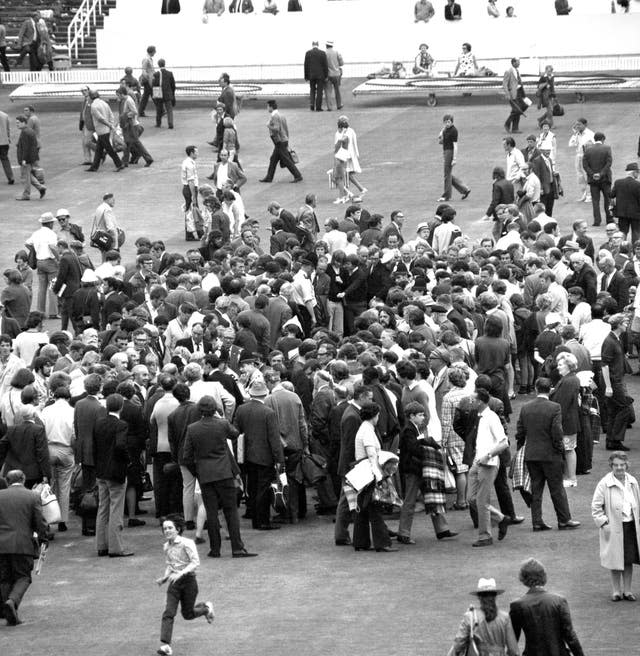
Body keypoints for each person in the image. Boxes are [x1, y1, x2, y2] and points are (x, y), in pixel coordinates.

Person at [182, 395, 256, 558]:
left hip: (205, 475)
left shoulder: (193, 428)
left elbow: (186, 457)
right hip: (223, 473)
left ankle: (215, 549)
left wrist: (197, 471)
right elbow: (235, 434)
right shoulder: (222, 424)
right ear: (214, 408)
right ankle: (237, 547)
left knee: (212, 512)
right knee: (231, 512)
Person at [515, 377, 580, 531]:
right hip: (550, 455)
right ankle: (564, 520)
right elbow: (557, 431)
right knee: (557, 489)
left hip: (532, 454)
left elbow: (520, 432)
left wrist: (522, 449)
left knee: (536, 489)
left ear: (536, 389)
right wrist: (560, 449)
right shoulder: (555, 407)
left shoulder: (525, 407)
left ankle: (537, 521)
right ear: (550, 389)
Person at [156, 514, 214, 656]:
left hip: (189, 583)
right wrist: (164, 578)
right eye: (165, 529)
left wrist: (180, 574)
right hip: (174, 584)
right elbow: (170, 565)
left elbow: (195, 562)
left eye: (170, 528)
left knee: (188, 614)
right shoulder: (166, 547)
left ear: (178, 529)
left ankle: (206, 608)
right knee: (168, 612)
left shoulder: (187, 543)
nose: (167, 531)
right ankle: (166, 646)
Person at [0, 469, 48, 626]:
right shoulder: (32, 496)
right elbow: (39, 522)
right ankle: (12, 602)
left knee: (5, 578)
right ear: (23, 479)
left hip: (1, 545)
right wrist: (43, 539)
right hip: (22, 544)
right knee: (23, 577)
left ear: (7, 481)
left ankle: (9, 609)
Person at [510, 558, 585, 656]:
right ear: (543, 576)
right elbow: (570, 635)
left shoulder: (517, 605)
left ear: (523, 578)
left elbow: (513, 639)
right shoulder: (559, 601)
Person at [591, 451, 640, 601]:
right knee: (615, 559)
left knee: (628, 559)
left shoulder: (632, 482)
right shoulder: (604, 483)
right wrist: (604, 523)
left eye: (622, 465)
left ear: (626, 465)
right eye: (616, 465)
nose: (619, 468)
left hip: (631, 525)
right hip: (613, 527)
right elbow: (596, 507)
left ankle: (628, 590)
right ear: (611, 466)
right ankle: (616, 591)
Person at [465, 388, 510, 547]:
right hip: (478, 463)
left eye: (472, 400)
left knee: (481, 501)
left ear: (480, 401)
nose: (470, 402)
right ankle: (501, 518)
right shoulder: (480, 416)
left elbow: (504, 442)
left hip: (488, 464)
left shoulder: (492, 418)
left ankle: (485, 536)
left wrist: (489, 455)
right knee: (471, 499)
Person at [94, 393, 133, 558]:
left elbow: (95, 447)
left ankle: (101, 545)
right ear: (121, 407)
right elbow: (120, 446)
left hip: (101, 470)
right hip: (116, 470)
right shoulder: (121, 425)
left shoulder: (98, 424)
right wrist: (128, 460)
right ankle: (116, 548)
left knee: (103, 508)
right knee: (116, 509)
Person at [449, 578, 519, 656]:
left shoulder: (470, 616)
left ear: (479, 597)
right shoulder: (505, 617)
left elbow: (458, 645)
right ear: (495, 596)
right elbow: (513, 651)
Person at [601, 312, 633, 451]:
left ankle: (611, 440)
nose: (627, 325)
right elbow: (604, 365)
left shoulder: (616, 339)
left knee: (614, 410)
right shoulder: (610, 341)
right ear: (619, 325)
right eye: (625, 323)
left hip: (615, 380)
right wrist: (608, 386)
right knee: (624, 408)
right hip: (613, 381)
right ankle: (615, 439)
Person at [259, 100, 302, 183]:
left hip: (279, 141)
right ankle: (269, 177)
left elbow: (277, 129)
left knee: (286, 160)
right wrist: (287, 139)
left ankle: (298, 175)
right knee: (273, 159)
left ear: (271, 107)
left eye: (267, 106)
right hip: (283, 140)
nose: (267, 108)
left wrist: (268, 126)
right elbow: (285, 129)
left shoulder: (274, 116)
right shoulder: (281, 115)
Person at [25, 213, 59, 318]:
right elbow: (52, 247)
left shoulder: (36, 233)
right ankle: (53, 313)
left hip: (40, 262)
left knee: (42, 288)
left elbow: (27, 243)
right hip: (50, 262)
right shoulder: (51, 234)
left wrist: (35, 250)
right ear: (49, 223)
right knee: (52, 287)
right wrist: (59, 258)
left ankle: (40, 312)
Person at [87, 91, 123, 173]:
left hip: (101, 130)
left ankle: (119, 164)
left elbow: (100, 118)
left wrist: (109, 125)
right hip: (106, 129)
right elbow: (111, 115)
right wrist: (110, 124)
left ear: (91, 97)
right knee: (99, 150)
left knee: (109, 149)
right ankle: (94, 166)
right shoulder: (104, 103)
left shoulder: (93, 106)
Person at [438, 114, 470, 203]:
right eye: (445, 122)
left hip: (450, 152)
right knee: (448, 175)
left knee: (447, 175)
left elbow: (455, 146)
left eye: (449, 122)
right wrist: (441, 135)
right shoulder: (445, 129)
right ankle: (465, 189)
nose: (447, 123)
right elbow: (441, 139)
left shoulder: (454, 131)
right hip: (445, 152)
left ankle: (446, 196)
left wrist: (454, 158)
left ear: (452, 122)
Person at [582, 131, 613, 226]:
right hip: (605, 179)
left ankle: (597, 221)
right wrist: (601, 173)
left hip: (593, 180)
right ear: (603, 139)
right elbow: (609, 162)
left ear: (594, 139)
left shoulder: (587, 150)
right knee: (608, 199)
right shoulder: (607, 148)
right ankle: (609, 219)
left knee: (595, 201)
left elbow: (585, 165)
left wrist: (593, 174)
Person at [15, 114, 46, 201]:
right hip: (32, 157)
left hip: (27, 158)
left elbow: (26, 147)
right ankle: (41, 188)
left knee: (25, 177)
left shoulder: (25, 132)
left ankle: (26, 195)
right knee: (28, 175)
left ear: (23, 122)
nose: (17, 124)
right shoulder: (30, 130)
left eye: (18, 123)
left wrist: (24, 159)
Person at [611, 162, 640, 245]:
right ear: (634, 172)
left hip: (622, 213)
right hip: (636, 214)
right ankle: (636, 251)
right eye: (637, 172)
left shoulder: (618, 183)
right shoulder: (637, 185)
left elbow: (611, 195)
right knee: (636, 232)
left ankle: (622, 250)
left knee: (623, 233)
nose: (638, 174)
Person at [568, 118, 594, 203]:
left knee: (587, 176)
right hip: (578, 156)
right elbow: (571, 144)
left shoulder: (590, 134)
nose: (577, 126)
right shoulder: (577, 134)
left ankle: (590, 195)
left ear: (585, 125)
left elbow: (594, 145)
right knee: (580, 176)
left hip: (587, 157)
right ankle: (584, 194)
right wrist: (575, 134)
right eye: (576, 125)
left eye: (579, 124)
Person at [503, 58, 527, 134]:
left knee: (519, 109)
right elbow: (505, 84)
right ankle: (508, 123)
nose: (519, 63)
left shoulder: (517, 71)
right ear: (513, 63)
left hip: (519, 92)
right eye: (518, 62)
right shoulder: (508, 71)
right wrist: (507, 94)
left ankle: (515, 128)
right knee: (517, 110)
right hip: (513, 93)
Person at [303, 41, 328, 112]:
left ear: (312, 45)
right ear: (318, 45)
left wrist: (306, 76)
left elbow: (306, 65)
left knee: (312, 90)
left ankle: (312, 105)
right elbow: (325, 65)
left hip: (311, 75)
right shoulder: (322, 53)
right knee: (320, 91)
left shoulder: (308, 53)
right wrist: (326, 75)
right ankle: (318, 107)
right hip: (320, 75)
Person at [152, 59, 176, 129]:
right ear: (164, 64)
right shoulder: (170, 73)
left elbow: (154, 84)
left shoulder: (156, 74)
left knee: (159, 109)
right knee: (169, 109)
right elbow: (173, 85)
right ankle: (170, 123)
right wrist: (172, 93)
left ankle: (158, 123)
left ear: (158, 65)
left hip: (159, 94)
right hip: (168, 93)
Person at [324, 41, 344, 111]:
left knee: (328, 91)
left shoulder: (324, 53)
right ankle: (339, 105)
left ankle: (329, 107)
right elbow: (341, 63)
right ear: (332, 45)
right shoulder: (337, 52)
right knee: (337, 90)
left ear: (326, 45)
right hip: (336, 74)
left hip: (328, 74)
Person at [139, 45, 157, 117]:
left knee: (146, 96)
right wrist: (148, 79)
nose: (155, 52)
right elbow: (144, 70)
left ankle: (141, 111)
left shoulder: (149, 59)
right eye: (154, 51)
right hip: (148, 80)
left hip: (149, 80)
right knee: (153, 95)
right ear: (152, 51)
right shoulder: (147, 59)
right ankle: (161, 110)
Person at [0, 109, 14, 185]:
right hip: (4, 142)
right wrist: (8, 138)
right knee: (5, 159)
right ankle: (10, 177)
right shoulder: (5, 115)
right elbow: (8, 129)